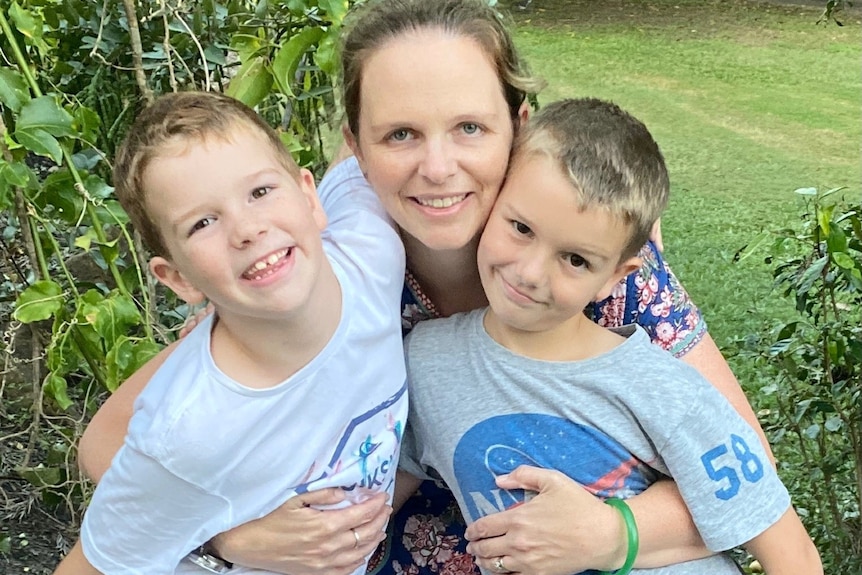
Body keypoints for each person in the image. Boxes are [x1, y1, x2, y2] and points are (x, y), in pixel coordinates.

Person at [77, 1, 777, 574]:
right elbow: (109, 443)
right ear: (354, 147)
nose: (438, 167)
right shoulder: (330, 268)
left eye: (470, 127)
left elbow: (748, 472)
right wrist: (232, 536)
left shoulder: (591, 264)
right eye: (401, 135)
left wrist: (613, 531)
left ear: (519, 127)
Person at [396, 97, 822, 575]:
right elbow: (367, 497)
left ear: (617, 276)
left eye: (576, 259)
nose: (531, 272)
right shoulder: (428, 363)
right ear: (495, 197)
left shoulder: (664, 390)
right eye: (520, 228)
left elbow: (794, 555)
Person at [54, 91, 408, 574]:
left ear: (309, 196)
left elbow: (366, 143)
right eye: (202, 223)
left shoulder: (372, 254)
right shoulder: (190, 432)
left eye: (261, 192)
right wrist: (214, 543)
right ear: (178, 279)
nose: (246, 229)